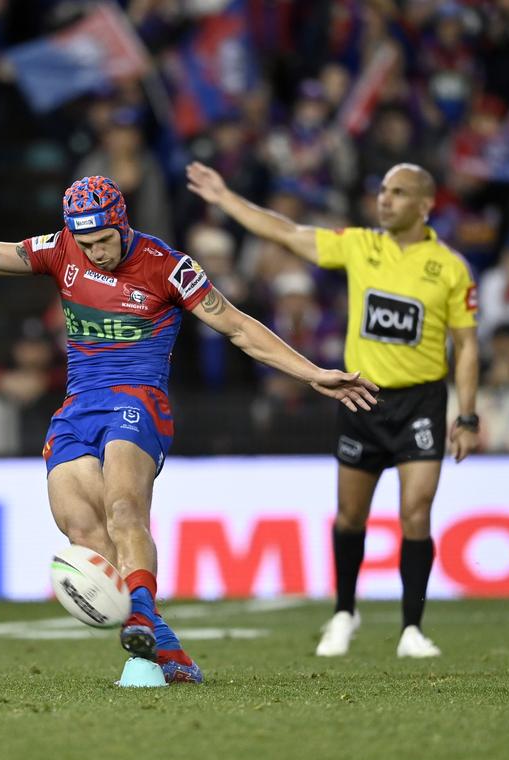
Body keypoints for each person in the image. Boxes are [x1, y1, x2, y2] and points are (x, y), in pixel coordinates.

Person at [0, 173, 377, 684]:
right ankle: (164, 644)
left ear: (122, 224)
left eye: (103, 239)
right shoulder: (60, 249)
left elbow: (237, 326)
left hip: (137, 402)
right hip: (77, 408)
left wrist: (314, 373)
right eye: (86, 242)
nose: (95, 251)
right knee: (79, 527)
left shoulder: (169, 267)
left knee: (124, 509)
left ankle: (140, 617)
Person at [186, 160, 480, 659]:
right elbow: (288, 232)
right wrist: (226, 199)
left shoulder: (450, 267)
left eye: (399, 192)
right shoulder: (360, 245)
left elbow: (467, 346)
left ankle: (412, 628)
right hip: (361, 397)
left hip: (421, 402)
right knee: (349, 516)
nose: (385, 199)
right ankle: (345, 611)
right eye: (383, 190)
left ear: (426, 205)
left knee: (416, 511)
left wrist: (467, 415)